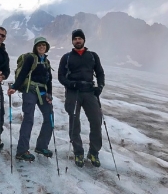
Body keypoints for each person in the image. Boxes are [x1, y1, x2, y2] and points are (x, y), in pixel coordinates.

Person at [58, 29, 105, 167]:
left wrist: (100, 87)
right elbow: (60, 76)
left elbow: (100, 73)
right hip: (73, 93)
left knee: (96, 122)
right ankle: (78, 152)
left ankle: (93, 152)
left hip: (90, 92)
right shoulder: (66, 57)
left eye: (80, 38)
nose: (77, 41)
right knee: (74, 123)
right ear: (72, 41)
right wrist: (70, 84)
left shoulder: (92, 56)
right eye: (75, 39)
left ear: (84, 40)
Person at [8, 37, 53, 161]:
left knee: (49, 118)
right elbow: (23, 74)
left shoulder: (46, 61)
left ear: (46, 47)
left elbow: (49, 79)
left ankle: (41, 146)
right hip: (30, 91)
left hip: (43, 92)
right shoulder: (31, 58)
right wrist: (15, 87)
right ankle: (22, 151)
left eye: (43, 45)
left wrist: (49, 93)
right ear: (35, 47)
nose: (41, 47)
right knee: (28, 119)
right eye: (39, 45)